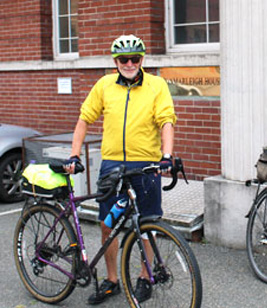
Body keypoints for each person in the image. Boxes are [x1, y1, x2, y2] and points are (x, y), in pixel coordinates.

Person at [63, 34, 177, 305]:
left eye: (135, 58)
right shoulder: (104, 85)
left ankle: (144, 277)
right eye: (123, 59)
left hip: (146, 165)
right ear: (115, 61)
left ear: (142, 59)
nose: (129, 63)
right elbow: (84, 118)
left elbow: (166, 121)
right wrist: (74, 154)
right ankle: (112, 279)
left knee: (147, 224)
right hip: (112, 165)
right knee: (107, 225)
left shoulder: (156, 85)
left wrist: (167, 156)